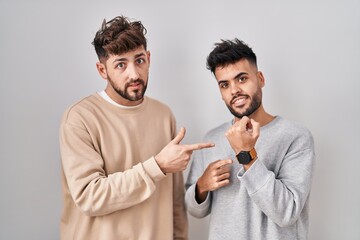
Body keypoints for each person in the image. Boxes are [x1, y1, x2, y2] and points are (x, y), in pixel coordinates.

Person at [59, 16, 214, 240]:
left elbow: (175, 201)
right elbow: (90, 197)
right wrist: (157, 166)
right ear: (102, 70)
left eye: (139, 60)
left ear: (149, 59)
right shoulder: (79, 118)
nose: (134, 74)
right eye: (121, 64)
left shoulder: (163, 115)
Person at [185, 38, 315, 239]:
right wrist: (201, 186)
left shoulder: (295, 137)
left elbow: (287, 212)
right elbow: (195, 210)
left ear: (260, 79)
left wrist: (246, 155)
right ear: (221, 93)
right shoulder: (211, 139)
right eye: (224, 85)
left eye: (242, 79)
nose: (234, 90)